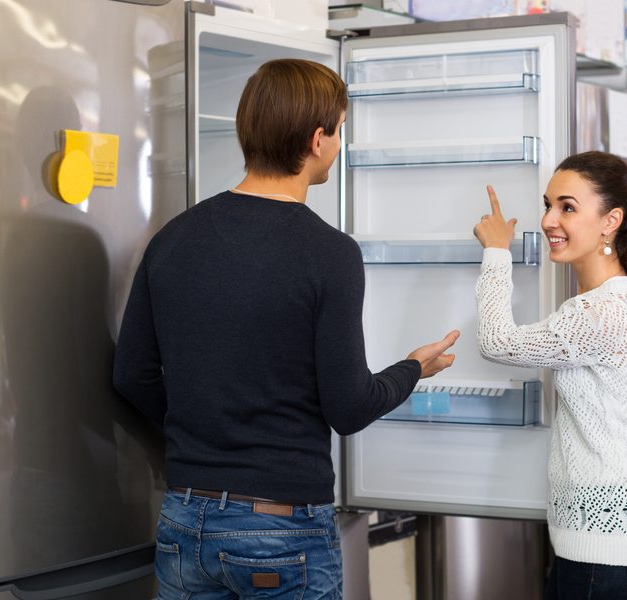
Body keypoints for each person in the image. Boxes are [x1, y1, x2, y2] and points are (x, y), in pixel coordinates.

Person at [113, 58, 459, 600]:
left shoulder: (173, 239)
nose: (339, 144)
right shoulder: (329, 253)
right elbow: (349, 407)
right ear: (318, 139)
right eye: (340, 131)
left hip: (184, 519)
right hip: (280, 528)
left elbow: (132, 376)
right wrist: (415, 367)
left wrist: (205, 437)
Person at [472, 151, 627, 599]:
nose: (548, 220)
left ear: (610, 221)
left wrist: (497, 253)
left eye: (567, 207)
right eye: (548, 204)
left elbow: (497, 342)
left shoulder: (596, 313)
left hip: (606, 547)